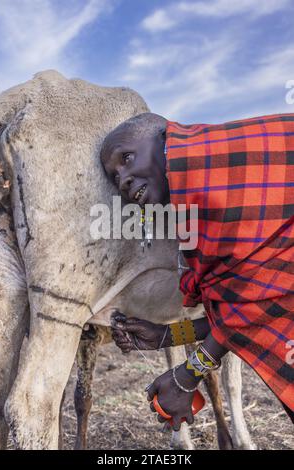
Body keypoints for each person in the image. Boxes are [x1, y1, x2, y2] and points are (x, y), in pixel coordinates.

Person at [100, 112, 294, 431]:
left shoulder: (243, 165)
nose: (123, 179)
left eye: (127, 158)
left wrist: (187, 376)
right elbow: (242, 307)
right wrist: (166, 335)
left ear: (166, 140)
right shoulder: (204, 225)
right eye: (114, 176)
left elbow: (247, 304)